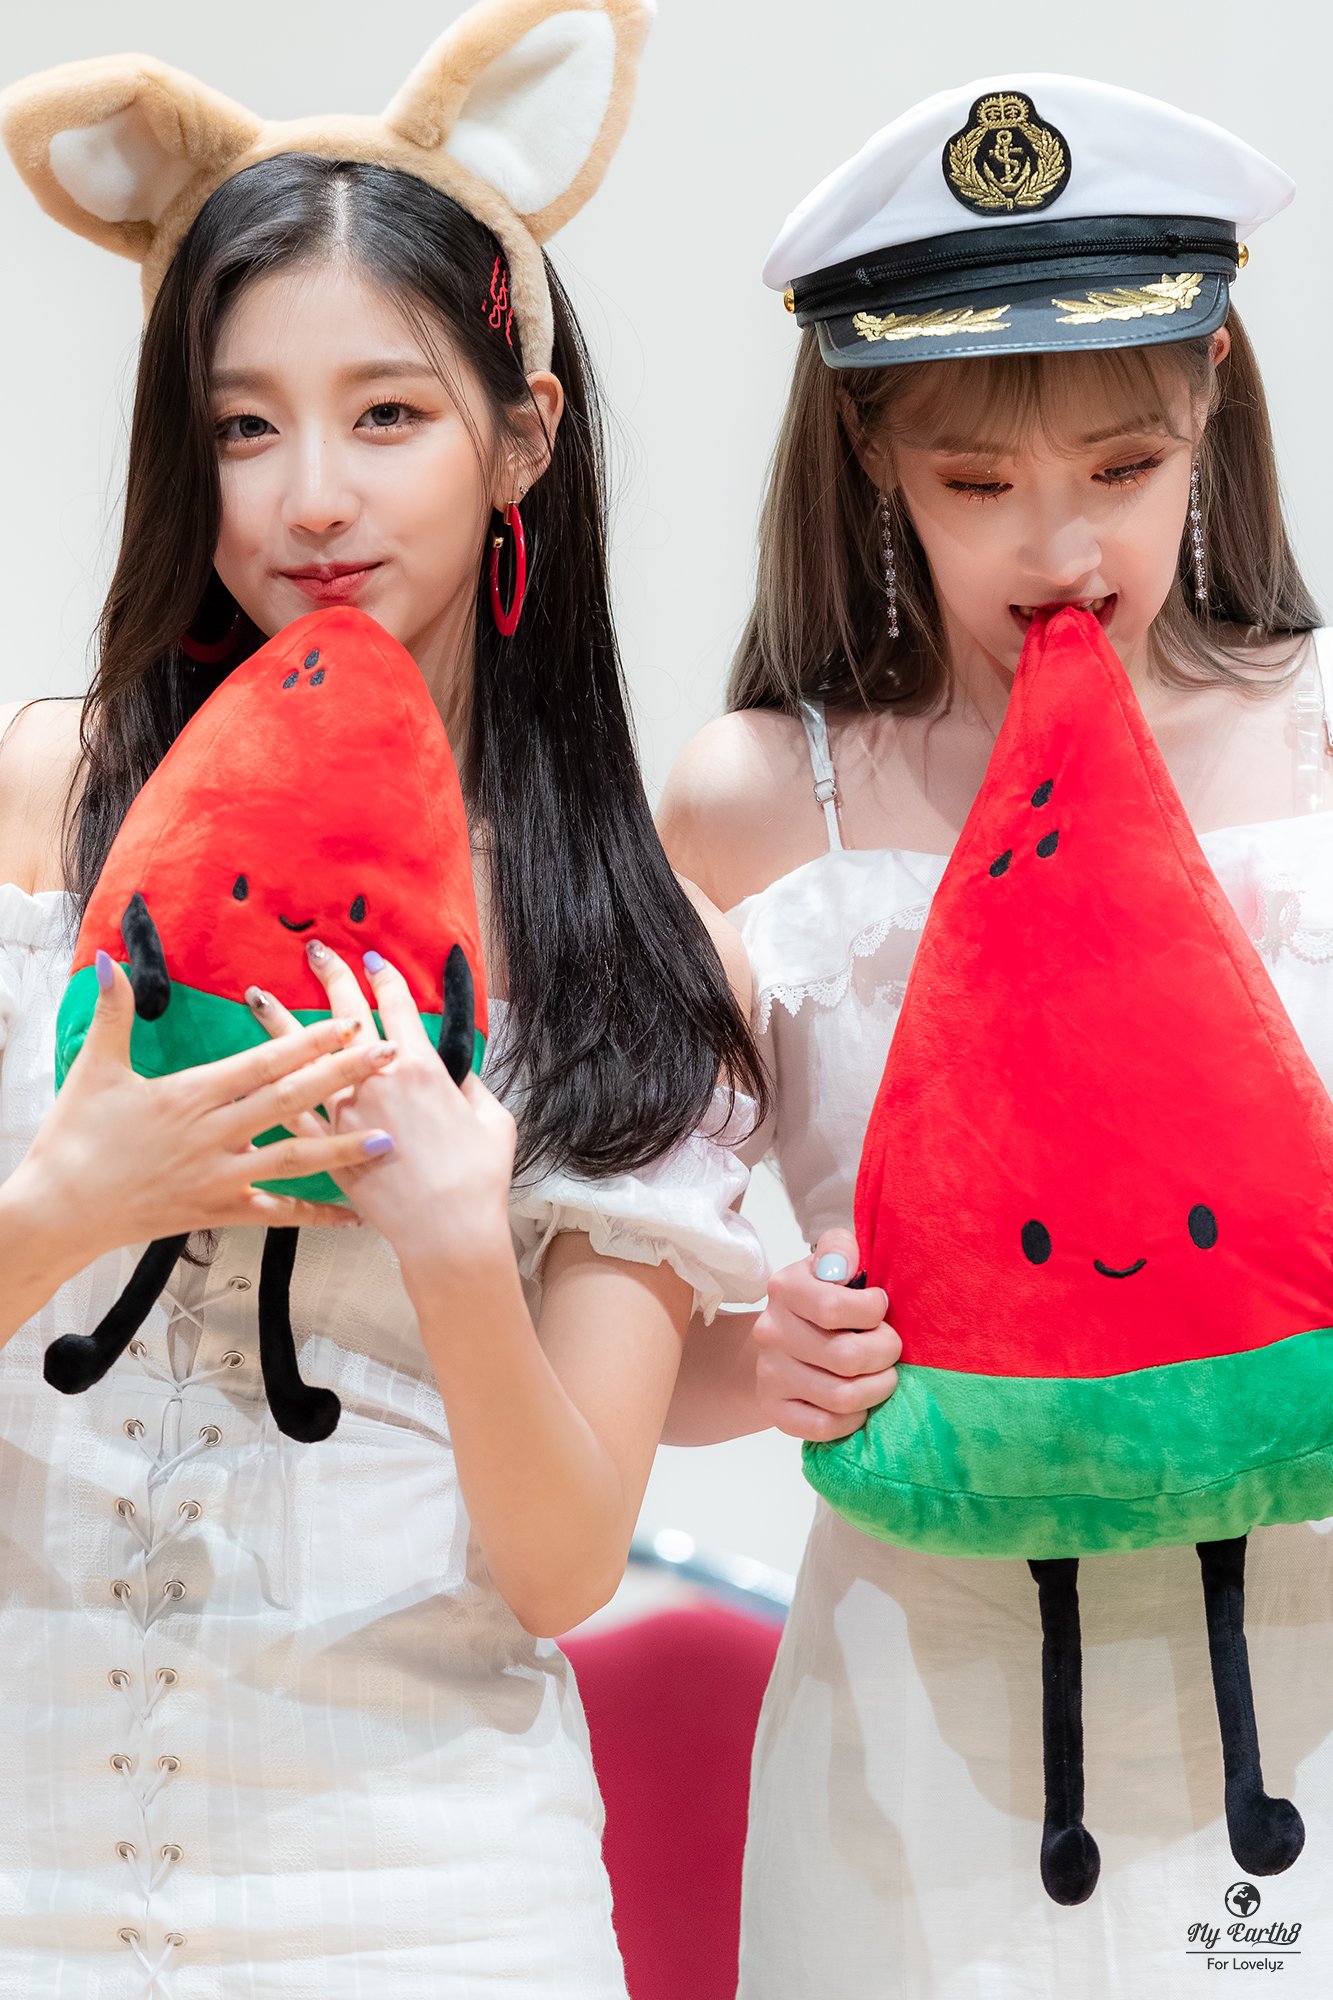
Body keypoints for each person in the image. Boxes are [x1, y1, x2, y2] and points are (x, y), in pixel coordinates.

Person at [0, 3, 768, 1992]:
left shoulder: (635, 950)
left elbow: (564, 1562)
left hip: (429, 1904)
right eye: (244, 427)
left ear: (523, 436)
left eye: (389, 415)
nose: (312, 498)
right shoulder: (43, 807)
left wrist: (452, 1247)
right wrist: (64, 1206)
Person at [659, 72, 1333, 1997]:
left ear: (1211, 390)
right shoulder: (751, 801)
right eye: (976, 484)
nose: (1061, 549)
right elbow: (642, 1361)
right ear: (869, 446)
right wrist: (759, 1355)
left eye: (1123, 465)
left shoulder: (1321, 748)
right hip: (911, 1736)